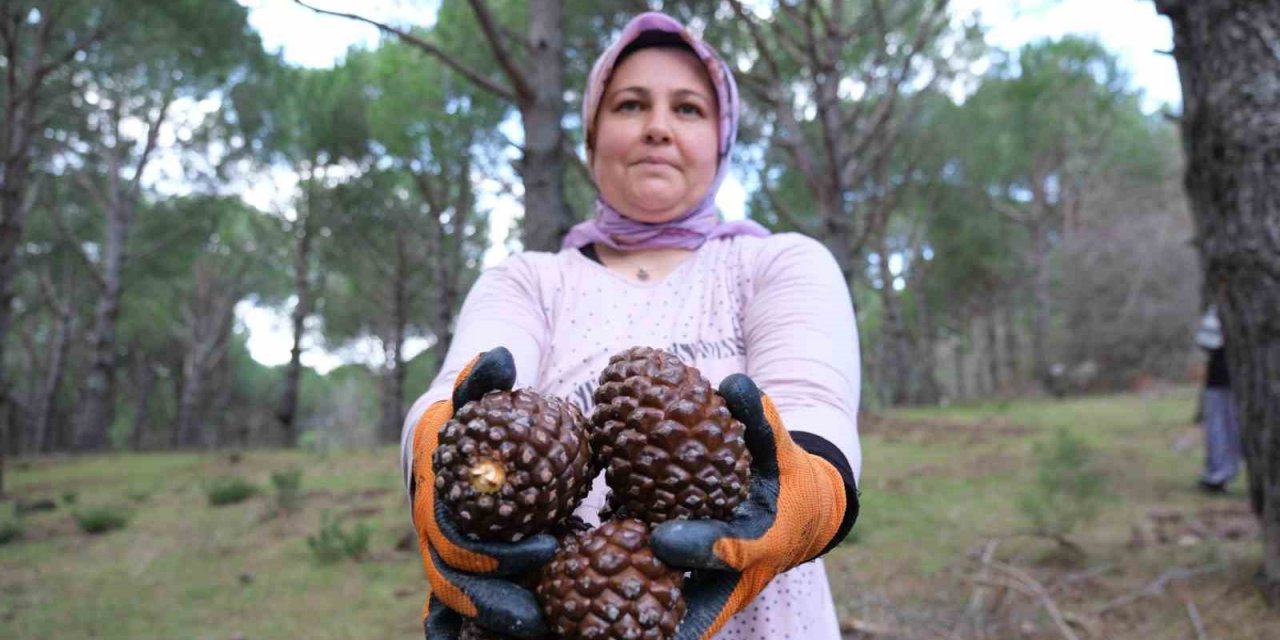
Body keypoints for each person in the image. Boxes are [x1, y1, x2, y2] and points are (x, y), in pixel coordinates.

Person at [400, 12, 861, 639]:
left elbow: (815, 401)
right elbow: (457, 388)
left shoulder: (773, 263)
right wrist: (436, 456)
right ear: (592, 138)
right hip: (566, 609)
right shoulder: (529, 279)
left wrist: (808, 494)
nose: (657, 128)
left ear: (722, 140)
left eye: (690, 109)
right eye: (630, 105)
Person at [1194, 304, 1240, 493]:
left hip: (1222, 381)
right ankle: (1219, 473)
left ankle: (1218, 474)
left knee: (1220, 428)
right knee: (1225, 428)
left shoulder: (1223, 308)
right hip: (1225, 380)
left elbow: (1205, 341)